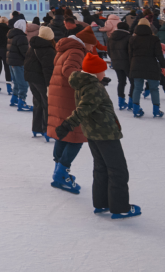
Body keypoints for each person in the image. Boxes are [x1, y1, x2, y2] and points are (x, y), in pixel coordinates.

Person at [55, 53, 140, 219]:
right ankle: (120, 207)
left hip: (93, 132)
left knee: (101, 168)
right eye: (102, 71)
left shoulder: (86, 83)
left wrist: (99, 84)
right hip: (105, 133)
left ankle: (101, 203)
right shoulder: (93, 88)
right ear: (94, 73)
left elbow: (89, 101)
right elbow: (84, 108)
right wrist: (68, 124)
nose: (105, 74)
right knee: (118, 170)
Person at [47, 28, 93, 194]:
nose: (91, 49)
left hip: (59, 94)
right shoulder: (76, 51)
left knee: (64, 132)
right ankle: (61, 173)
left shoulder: (66, 48)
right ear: (85, 42)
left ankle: (58, 172)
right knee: (77, 135)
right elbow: (69, 71)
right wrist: (90, 79)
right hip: (69, 97)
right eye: (90, 45)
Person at [128, 19, 165, 118]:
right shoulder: (154, 39)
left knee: (137, 88)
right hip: (151, 64)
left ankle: (136, 109)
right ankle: (156, 110)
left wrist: (131, 64)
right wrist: (163, 66)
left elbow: (130, 54)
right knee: (154, 88)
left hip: (136, 64)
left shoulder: (132, 39)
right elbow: (159, 54)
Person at [25, 26, 56, 139]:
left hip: (31, 79)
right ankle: (47, 129)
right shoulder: (47, 50)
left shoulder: (32, 46)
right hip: (41, 80)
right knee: (47, 104)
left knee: (37, 102)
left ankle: (36, 128)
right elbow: (48, 69)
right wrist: (49, 85)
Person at [7, 18, 32, 111]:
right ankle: (22, 101)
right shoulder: (21, 37)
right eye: (26, 25)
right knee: (23, 83)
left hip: (12, 62)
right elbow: (25, 52)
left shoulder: (11, 35)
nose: (27, 27)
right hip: (18, 63)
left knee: (17, 82)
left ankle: (14, 98)